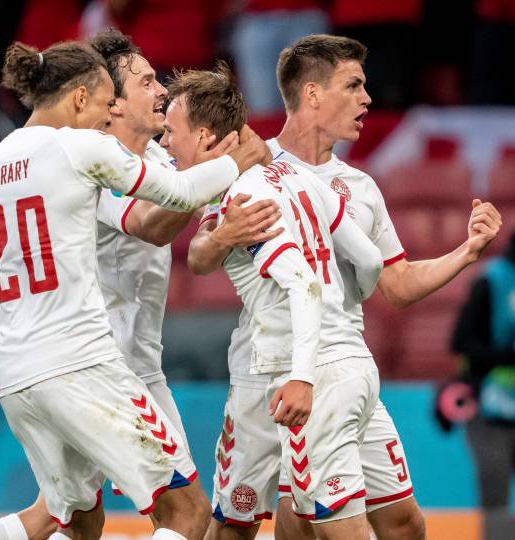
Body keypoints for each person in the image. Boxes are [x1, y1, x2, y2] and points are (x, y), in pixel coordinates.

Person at [0, 29, 281, 540]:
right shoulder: (86, 152)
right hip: (93, 359)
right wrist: (236, 159)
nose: (110, 111)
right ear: (85, 97)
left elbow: (184, 193)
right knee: (185, 512)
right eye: (134, 86)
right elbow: (159, 214)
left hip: (20, 365)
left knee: (71, 517)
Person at [189, 34, 502, 540]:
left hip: (339, 364)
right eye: (353, 85)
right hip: (266, 372)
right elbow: (200, 257)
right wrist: (223, 235)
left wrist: (465, 252)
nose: (367, 98)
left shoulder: (359, 187)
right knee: (255, 524)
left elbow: (396, 284)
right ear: (312, 93)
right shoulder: (252, 162)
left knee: (403, 524)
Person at [164, 62, 388, 540]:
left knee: (334, 528)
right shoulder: (297, 176)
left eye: (170, 132)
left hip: (301, 375)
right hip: (336, 364)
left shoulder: (244, 199)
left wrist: (303, 377)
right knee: (259, 519)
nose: (164, 144)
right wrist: (349, 300)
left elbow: (303, 285)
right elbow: (370, 260)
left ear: (204, 136)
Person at [451, 232, 515, 540]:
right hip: (489, 409)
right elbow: (461, 342)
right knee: (495, 494)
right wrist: (506, 357)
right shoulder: (492, 280)